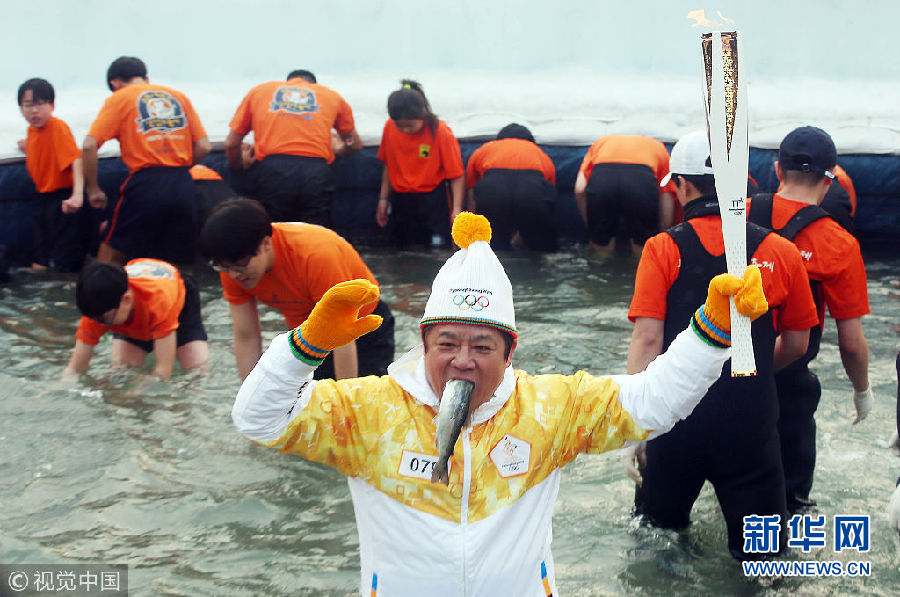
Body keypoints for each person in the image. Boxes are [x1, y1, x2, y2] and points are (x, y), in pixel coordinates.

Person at [230, 211, 768, 595]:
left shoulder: (550, 409)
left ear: (510, 352)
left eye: (482, 346)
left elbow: (656, 402)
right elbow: (256, 419)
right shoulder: (370, 412)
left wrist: (710, 334)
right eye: (447, 343)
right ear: (424, 343)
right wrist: (302, 348)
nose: (463, 360)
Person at [621, 131, 818, 559]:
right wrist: (754, 370)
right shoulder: (780, 251)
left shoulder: (662, 249)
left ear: (682, 186)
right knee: (764, 560)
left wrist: (633, 425)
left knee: (656, 546)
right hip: (750, 428)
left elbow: (647, 339)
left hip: (675, 424)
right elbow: (798, 343)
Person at [747, 126, 873, 514]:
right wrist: (862, 391)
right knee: (789, 506)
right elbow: (851, 342)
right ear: (830, 179)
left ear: (777, 170)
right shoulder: (839, 244)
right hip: (787, 390)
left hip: (718, 377)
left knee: (729, 491)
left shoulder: (736, 216)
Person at [199, 198, 394, 381]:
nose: (234, 275)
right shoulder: (232, 267)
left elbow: (343, 338)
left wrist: (346, 399)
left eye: (240, 264)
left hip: (362, 329)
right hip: (309, 333)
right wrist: (248, 398)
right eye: (223, 267)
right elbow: (246, 335)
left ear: (266, 243)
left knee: (359, 401)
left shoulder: (316, 256)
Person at [83, 56, 211, 265]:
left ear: (115, 83)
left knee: (112, 250)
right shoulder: (178, 96)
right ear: (146, 78)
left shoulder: (120, 98)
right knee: (175, 261)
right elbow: (204, 146)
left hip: (145, 182)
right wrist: (177, 168)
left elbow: (89, 146)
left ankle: (100, 285)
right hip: (182, 184)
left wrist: (93, 189)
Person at [224, 69, 362, 226]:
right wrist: (339, 148)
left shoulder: (259, 92)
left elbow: (231, 144)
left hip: (273, 172)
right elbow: (353, 143)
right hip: (316, 174)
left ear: (288, 82)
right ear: (314, 85)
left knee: (276, 230)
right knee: (316, 232)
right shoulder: (332, 97)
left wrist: (239, 165)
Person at [64, 258, 208, 379]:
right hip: (131, 304)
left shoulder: (158, 304)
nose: (98, 324)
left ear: (126, 300)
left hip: (178, 300)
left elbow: (164, 371)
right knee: (121, 370)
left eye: (104, 320)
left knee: (197, 370)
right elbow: (75, 367)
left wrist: (136, 393)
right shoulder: (97, 310)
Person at [375, 80, 465, 249]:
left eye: (410, 126)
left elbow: (457, 175)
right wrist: (383, 198)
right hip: (401, 198)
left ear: (423, 115)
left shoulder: (440, 131)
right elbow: (388, 164)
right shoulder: (389, 128)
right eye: (400, 126)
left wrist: (457, 210)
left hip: (432, 199)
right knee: (404, 247)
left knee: (437, 248)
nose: (405, 130)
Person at [17, 78, 89, 273]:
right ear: (21, 109)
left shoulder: (57, 127)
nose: (34, 111)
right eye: (28, 105)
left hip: (64, 199)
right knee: (40, 258)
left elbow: (76, 159)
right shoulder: (32, 131)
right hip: (43, 198)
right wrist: (26, 146)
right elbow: (42, 148)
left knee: (65, 259)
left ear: (52, 105)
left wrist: (77, 195)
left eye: (40, 105)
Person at [574, 134, 676, 257]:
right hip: (641, 179)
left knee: (600, 246)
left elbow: (579, 189)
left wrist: (592, 226)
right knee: (643, 246)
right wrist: (663, 233)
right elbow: (666, 195)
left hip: (603, 176)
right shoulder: (659, 147)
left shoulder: (600, 143)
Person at [465, 123, 558, 251]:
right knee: (543, 248)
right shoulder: (540, 154)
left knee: (492, 248)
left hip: (492, 191)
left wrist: (472, 227)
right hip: (532, 192)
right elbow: (549, 198)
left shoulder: (485, 149)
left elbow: (471, 192)